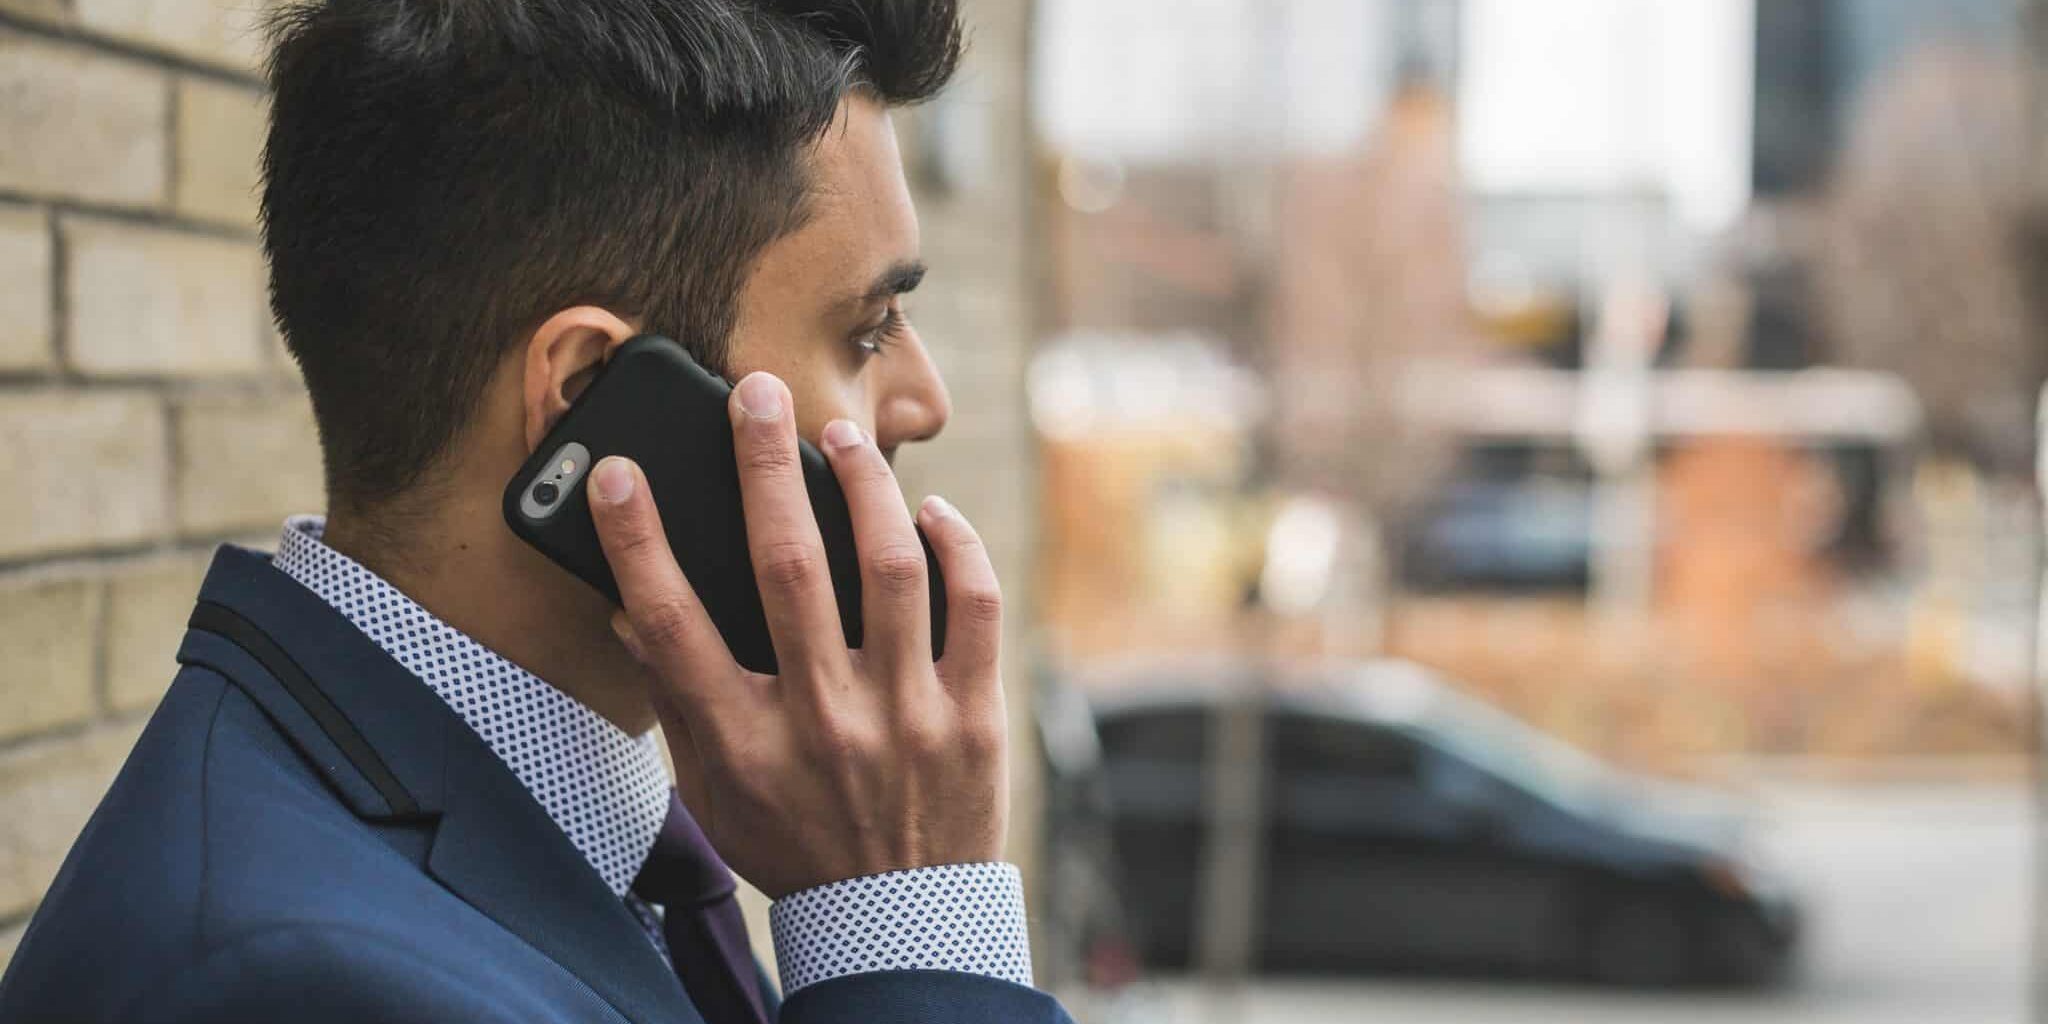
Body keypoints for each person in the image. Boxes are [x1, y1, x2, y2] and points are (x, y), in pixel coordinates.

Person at [0, 1, 1073, 1021]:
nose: (927, 403)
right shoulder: (294, 983)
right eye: (869, 329)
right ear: (586, 397)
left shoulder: (592, 832)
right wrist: (906, 929)